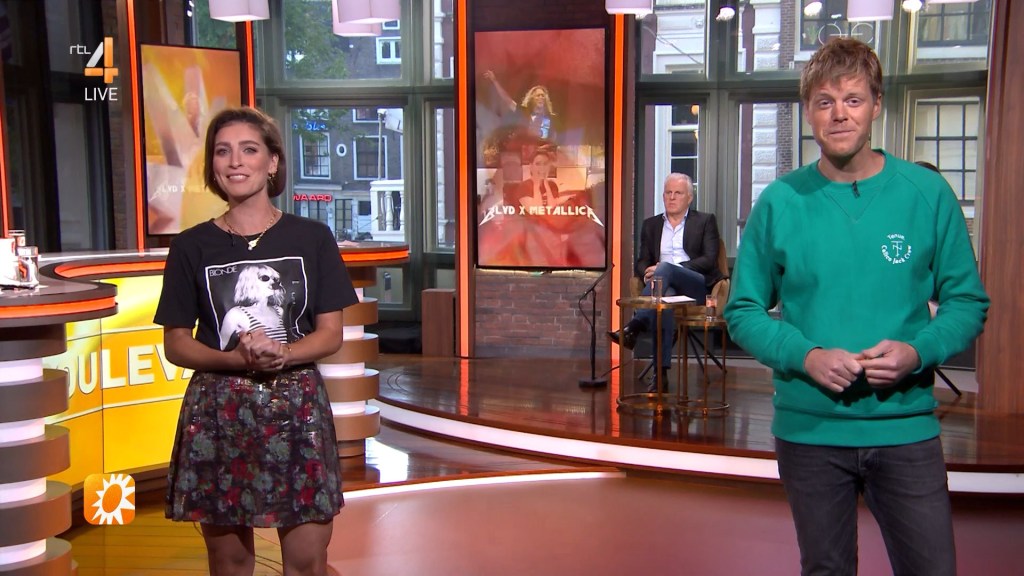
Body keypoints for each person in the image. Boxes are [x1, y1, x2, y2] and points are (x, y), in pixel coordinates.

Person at [723, 38, 989, 576]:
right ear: (808, 112)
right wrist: (806, 356)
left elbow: (967, 302)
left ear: (876, 105)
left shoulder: (926, 193)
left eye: (852, 99)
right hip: (810, 433)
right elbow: (743, 310)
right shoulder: (780, 201)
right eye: (824, 101)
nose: (839, 114)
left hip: (905, 429)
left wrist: (918, 351)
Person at [154, 106, 358, 576]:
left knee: (307, 562)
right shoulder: (190, 246)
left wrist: (283, 353)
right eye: (222, 152)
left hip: (297, 410)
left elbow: (330, 334)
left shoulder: (312, 237)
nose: (235, 162)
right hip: (218, 414)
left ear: (272, 162)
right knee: (229, 562)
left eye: (249, 150)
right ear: (212, 166)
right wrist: (237, 359)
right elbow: (177, 343)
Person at [608, 173, 724, 392]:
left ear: (689, 197)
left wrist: (669, 268)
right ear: (663, 196)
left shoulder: (705, 221)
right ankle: (660, 375)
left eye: (678, 193)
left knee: (666, 269)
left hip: (695, 286)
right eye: (668, 193)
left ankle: (635, 325)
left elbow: (709, 260)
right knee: (664, 301)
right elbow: (642, 261)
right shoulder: (651, 225)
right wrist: (647, 273)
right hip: (662, 286)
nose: (672, 197)